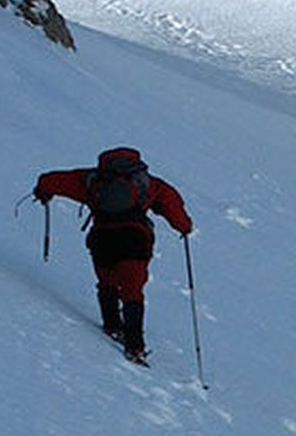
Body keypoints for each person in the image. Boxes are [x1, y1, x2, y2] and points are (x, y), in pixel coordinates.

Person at [33, 146, 193, 364]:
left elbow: (52, 181)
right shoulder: (148, 183)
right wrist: (184, 227)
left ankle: (112, 326)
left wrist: (43, 191)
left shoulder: (92, 179)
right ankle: (135, 346)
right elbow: (172, 205)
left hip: (103, 239)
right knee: (132, 290)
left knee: (106, 281)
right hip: (135, 240)